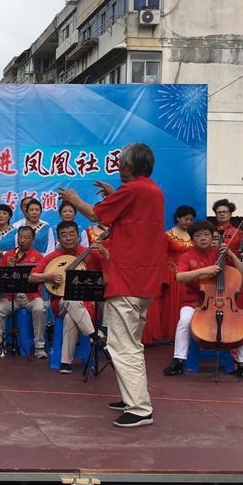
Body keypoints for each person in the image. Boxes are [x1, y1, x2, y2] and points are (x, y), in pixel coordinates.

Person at [59, 142, 166, 428]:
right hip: (144, 278)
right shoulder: (152, 190)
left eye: (120, 163)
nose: (118, 167)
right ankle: (132, 398)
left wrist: (73, 199)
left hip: (127, 278)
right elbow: (130, 218)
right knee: (130, 342)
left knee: (123, 345)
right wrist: (113, 195)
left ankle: (140, 408)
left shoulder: (132, 190)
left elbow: (95, 215)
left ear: (129, 166)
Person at [162, 221, 243, 381]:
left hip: (224, 301)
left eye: (206, 235)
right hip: (194, 301)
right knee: (184, 320)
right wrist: (203, 271)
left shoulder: (221, 254)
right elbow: (179, 277)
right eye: (198, 235)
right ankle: (178, 360)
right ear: (192, 239)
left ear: (212, 237)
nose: (203, 238)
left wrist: (231, 254)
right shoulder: (186, 256)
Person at [29, 221, 107, 372]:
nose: (68, 238)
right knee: (70, 299)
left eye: (72, 234)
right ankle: (94, 336)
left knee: (71, 316)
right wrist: (49, 276)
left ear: (78, 236)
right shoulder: (53, 257)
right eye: (64, 235)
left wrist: (104, 252)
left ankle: (65, 363)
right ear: (58, 239)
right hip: (60, 303)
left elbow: (109, 265)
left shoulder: (88, 252)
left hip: (86, 302)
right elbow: (32, 277)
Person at [0, 225, 48, 358]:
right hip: (12, 296)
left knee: (40, 309)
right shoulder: (9, 255)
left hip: (31, 296)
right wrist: (8, 268)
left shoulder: (38, 256)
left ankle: (39, 346)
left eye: (26, 237)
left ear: (32, 239)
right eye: (20, 237)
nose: (22, 240)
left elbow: (38, 277)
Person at [157, 206, 195, 341]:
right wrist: (163, 278)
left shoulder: (193, 235)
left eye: (190, 220)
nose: (188, 222)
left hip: (190, 275)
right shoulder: (167, 235)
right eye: (186, 219)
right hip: (172, 274)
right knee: (172, 306)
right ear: (178, 218)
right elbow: (162, 257)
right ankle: (172, 335)